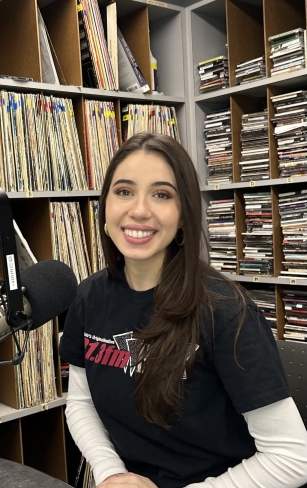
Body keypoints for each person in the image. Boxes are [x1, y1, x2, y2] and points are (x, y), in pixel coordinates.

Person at [59, 132, 307, 488]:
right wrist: (111, 472)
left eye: (162, 194)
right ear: (105, 208)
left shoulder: (225, 311)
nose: (139, 210)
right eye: (124, 191)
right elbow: (81, 403)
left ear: (183, 217)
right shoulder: (89, 297)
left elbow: (292, 459)